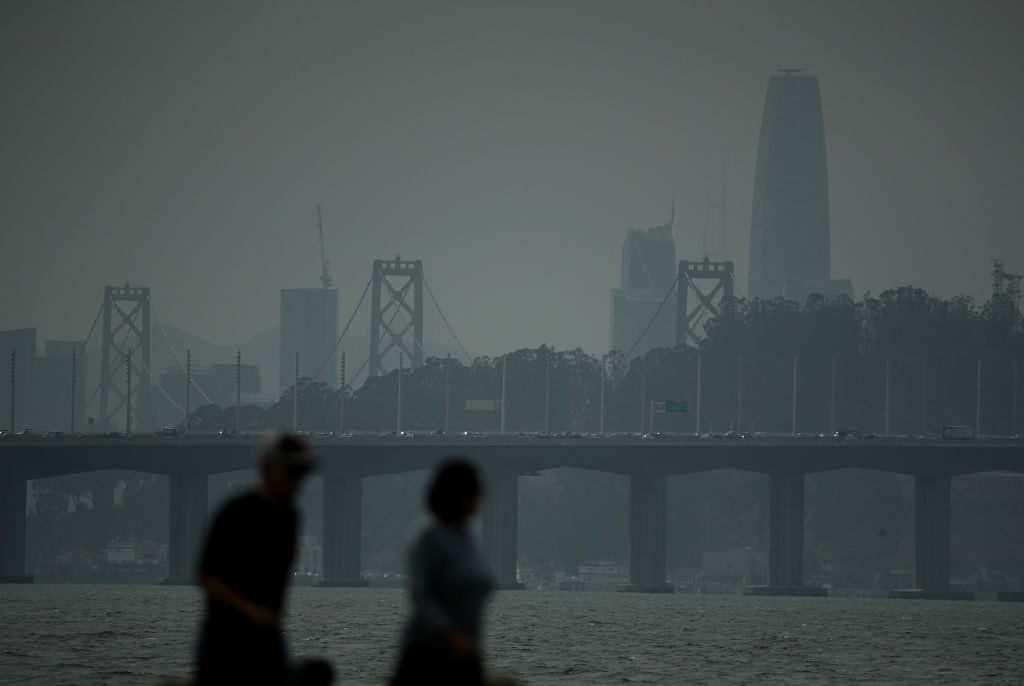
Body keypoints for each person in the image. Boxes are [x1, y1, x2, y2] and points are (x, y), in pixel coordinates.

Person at [194, 433, 315, 686]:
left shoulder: (290, 516)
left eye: (301, 473)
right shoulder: (236, 512)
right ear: (266, 468)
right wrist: (251, 611)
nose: (297, 482)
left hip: (268, 635)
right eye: (290, 472)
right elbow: (205, 575)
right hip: (224, 637)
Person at [392, 459, 494, 686]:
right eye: (472, 493)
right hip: (429, 655)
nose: (478, 500)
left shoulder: (465, 537)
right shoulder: (429, 536)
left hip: (466, 653)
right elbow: (421, 594)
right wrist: (452, 636)